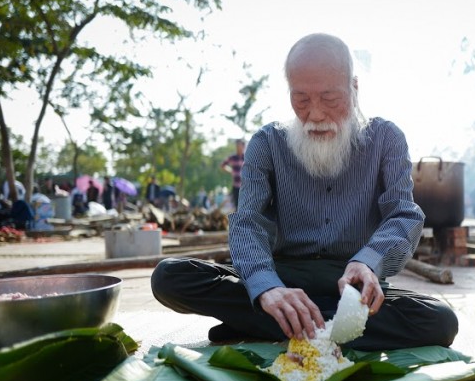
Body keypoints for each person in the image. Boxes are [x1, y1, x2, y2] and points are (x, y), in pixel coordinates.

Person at [151, 33, 458, 351]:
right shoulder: (267, 143)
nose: (315, 114)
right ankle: (305, 319)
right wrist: (268, 288)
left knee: (440, 320)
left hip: (352, 284)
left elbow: (403, 214)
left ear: (354, 89)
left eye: (330, 99)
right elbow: (248, 223)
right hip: (282, 275)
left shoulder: (386, 138)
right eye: (301, 100)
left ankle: (270, 324)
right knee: (170, 276)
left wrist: (368, 263)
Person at [220, 139, 245, 210]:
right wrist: (231, 171)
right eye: (236, 145)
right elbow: (222, 165)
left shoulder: (247, 157)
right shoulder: (232, 157)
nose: (237, 147)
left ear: (243, 146)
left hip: (246, 186)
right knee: (237, 207)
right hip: (236, 187)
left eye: (239, 145)